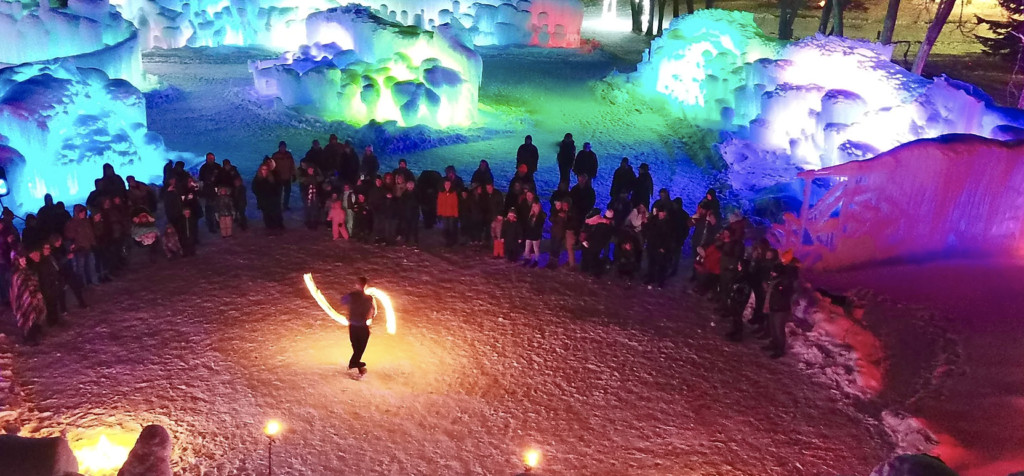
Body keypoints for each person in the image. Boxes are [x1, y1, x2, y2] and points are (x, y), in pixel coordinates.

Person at [340, 276, 377, 378]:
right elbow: (373, 311)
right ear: (365, 285)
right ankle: (355, 364)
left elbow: (342, 301)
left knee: (356, 349)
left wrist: (351, 298)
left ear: (357, 285)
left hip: (353, 327)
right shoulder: (369, 298)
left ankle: (358, 366)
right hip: (362, 327)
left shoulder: (352, 296)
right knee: (359, 349)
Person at [764, 258, 799, 359]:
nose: (771, 273)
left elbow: (785, 295)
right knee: (773, 327)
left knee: (779, 329)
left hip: (781, 309)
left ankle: (780, 349)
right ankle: (774, 344)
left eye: (773, 272)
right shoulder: (776, 280)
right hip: (774, 306)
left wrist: (777, 291)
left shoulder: (785, 282)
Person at [10, 252, 45, 345]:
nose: (24, 261)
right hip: (24, 301)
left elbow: (34, 282)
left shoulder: (28, 271)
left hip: (34, 298)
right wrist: (27, 298)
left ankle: (34, 336)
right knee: (27, 316)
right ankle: (28, 338)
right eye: (22, 259)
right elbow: (17, 291)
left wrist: (36, 293)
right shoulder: (16, 275)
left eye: (24, 259)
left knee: (35, 316)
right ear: (17, 261)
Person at [253, 163, 284, 231]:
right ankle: (269, 227)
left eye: (266, 169)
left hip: (272, 200)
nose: (264, 171)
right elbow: (254, 188)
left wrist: (275, 195)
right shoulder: (257, 179)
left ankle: (276, 226)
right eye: (263, 169)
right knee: (266, 214)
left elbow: (276, 187)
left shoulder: (272, 178)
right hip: (263, 200)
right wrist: (260, 194)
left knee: (273, 214)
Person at [198, 152, 222, 233]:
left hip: (217, 190)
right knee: (209, 209)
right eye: (209, 158)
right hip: (208, 191)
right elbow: (201, 180)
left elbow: (222, 177)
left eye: (212, 158)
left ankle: (218, 223)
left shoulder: (218, 166)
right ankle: (211, 226)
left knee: (218, 208)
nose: (211, 160)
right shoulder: (203, 168)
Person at [297, 160, 324, 230]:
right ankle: (308, 221)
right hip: (306, 193)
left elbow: (321, 178)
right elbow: (300, 179)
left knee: (314, 207)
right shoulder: (302, 173)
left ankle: (314, 221)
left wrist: (314, 178)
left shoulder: (316, 173)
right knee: (308, 207)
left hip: (315, 193)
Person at [271, 141, 296, 210]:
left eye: (284, 147)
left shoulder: (289, 155)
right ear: (279, 147)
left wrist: (293, 174)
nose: (283, 148)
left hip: (287, 177)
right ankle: (277, 205)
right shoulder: (275, 155)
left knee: (287, 193)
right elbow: (272, 167)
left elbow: (292, 165)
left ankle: (285, 205)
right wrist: (273, 176)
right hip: (279, 177)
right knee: (278, 193)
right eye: (282, 147)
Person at [522, 202, 545, 268]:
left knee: (536, 249)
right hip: (529, 234)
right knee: (527, 248)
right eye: (533, 206)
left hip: (536, 235)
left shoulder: (541, 216)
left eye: (536, 206)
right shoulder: (531, 215)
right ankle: (527, 259)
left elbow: (539, 226)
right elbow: (528, 225)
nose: (534, 208)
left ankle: (536, 261)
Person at [437, 180, 460, 247]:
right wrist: (439, 214)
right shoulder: (441, 193)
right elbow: (439, 204)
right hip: (444, 214)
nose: (447, 186)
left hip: (451, 214)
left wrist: (456, 215)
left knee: (451, 228)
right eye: (446, 184)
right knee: (445, 228)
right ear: (444, 185)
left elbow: (455, 205)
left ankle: (451, 241)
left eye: (448, 184)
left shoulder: (453, 193)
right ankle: (447, 241)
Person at [547, 199, 568, 268]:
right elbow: (551, 219)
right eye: (557, 205)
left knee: (556, 247)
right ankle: (550, 261)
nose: (558, 206)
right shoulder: (554, 212)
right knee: (552, 246)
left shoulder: (564, 212)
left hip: (560, 233)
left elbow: (565, 223)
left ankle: (554, 262)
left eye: (559, 205)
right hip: (554, 232)